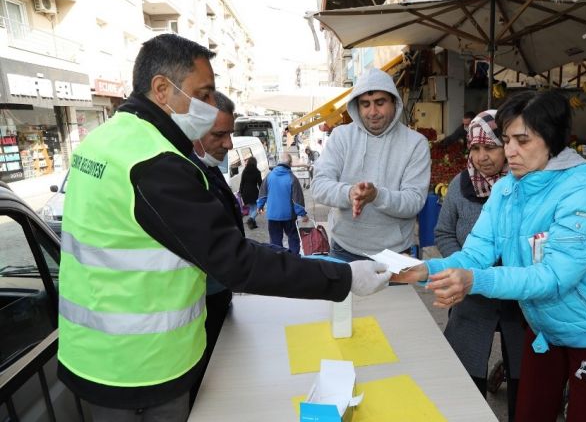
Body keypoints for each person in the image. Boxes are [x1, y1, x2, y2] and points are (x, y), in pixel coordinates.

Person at [56, 34, 391, 422]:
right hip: (140, 367)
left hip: (90, 352)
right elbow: (235, 261)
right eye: (206, 93)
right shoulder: (154, 163)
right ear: (162, 89)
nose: (212, 106)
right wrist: (343, 277)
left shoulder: (102, 141)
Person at [395, 90, 586, 422]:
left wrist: (476, 280)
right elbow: (477, 252)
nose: (510, 151)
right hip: (543, 329)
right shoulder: (508, 188)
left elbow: (553, 276)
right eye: (506, 140)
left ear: (551, 139)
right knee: (530, 412)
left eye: (522, 140)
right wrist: (423, 269)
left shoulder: (585, 189)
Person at [434, 110, 524, 420]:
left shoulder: (526, 187)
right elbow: (443, 231)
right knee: (465, 377)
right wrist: (464, 268)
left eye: (491, 147)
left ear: (509, 147)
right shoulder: (461, 186)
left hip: (520, 300)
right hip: (471, 300)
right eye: (475, 148)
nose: (482, 157)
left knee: (523, 378)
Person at [311, 68, 431, 261]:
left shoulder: (416, 143)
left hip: (394, 253)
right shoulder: (341, 136)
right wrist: (349, 193)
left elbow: (414, 201)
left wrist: (377, 195)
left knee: (396, 294)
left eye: (380, 103)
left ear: (395, 102)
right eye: (365, 104)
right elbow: (318, 185)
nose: (373, 112)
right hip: (344, 248)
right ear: (356, 107)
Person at [186, 91, 240, 408]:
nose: (229, 144)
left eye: (229, 133)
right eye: (220, 134)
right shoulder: (186, 177)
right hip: (202, 310)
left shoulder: (208, 168)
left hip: (217, 298)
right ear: (194, 132)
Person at [257, 152, 308, 254]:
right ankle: (294, 259)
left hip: (273, 215)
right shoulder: (292, 178)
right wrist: (302, 214)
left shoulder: (269, 176)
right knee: (293, 238)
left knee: (275, 242)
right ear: (290, 163)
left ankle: (278, 261)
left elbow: (262, 193)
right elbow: (297, 199)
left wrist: (260, 206)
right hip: (288, 216)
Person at [239, 156, 262, 229]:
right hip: (253, 192)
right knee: (258, 208)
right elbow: (260, 184)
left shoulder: (245, 171)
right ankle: (251, 219)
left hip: (245, 192)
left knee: (252, 208)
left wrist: (241, 192)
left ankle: (252, 224)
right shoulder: (257, 172)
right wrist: (262, 192)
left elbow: (242, 183)